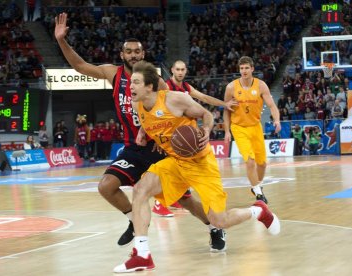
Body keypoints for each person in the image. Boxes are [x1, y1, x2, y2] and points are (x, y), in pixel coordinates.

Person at [54, 13, 226, 251]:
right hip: (134, 148)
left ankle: (214, 227)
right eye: (129, 51)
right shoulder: (112, 74)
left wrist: (181, 137)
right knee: (106, 186)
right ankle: (134, 220)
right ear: (122, 55)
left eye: (137, 51)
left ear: (143, 55)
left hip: (160, 148)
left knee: (182, 199)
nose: (133, 55)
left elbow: (179, 110)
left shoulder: (156, 81)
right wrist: (62, 40)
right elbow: (80, 66)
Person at [113, 61, 280, 273]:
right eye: (131, 83)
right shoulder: (138, 106)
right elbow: (151, 124)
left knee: (219, 220)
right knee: (140, 190)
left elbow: (206, 115)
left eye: (136, 82)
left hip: (201, 164)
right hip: (175, 163)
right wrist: (142, 133)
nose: (131, 87)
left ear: (150, 86)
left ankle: (257, 211)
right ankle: (142, 254)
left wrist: (206, 131)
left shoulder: (175, 100)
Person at [157, 59, 238, 216]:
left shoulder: (186, 87)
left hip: (185, 134)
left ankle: (174, 199)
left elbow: (204, 98)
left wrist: (224, 104)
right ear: (172, 70)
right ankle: (159, 204)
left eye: (183, 69)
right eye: (177, 69)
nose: (180, 72)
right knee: (170, 170)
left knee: (184, 170)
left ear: (186, 71)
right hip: (171, 135)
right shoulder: (166, 87)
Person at [223, 56, 281, 204]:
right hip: (239, 128)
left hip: (255, 127)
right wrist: (227, 131)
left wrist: (276, 120)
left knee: (262, 164)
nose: (244, 71)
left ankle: (257, 185)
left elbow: (272, 106)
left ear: (252, 69)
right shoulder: (231, 87)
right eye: (241, 68)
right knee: (250, 161)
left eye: (247, 68)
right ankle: (258, 193)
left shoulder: (261, 86)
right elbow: (226, 110)